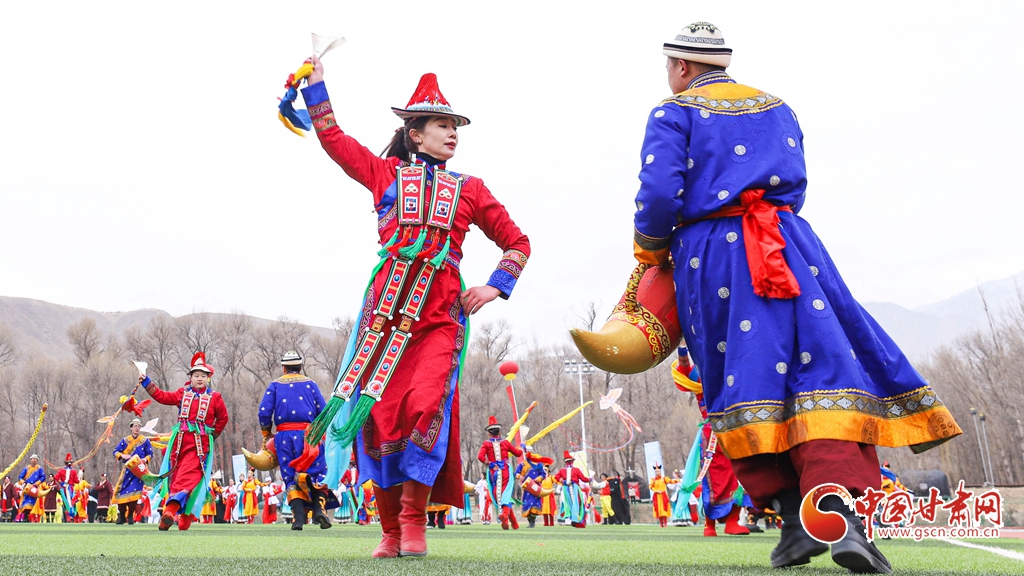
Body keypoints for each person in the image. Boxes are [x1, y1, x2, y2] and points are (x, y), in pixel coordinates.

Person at [630, 21, 963, 573]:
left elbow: (660, 195)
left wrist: (649, 251)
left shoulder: (673, 112)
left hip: (716, 257)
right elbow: (797, 183)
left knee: (743, 378)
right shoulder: (777, 106)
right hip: (791, 245)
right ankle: (837, 519)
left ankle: (790, 515)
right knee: (820, 372)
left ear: (681, 67)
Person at [301, 58, 530, 558]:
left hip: (439, 319)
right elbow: (333, 139)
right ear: (415, 134)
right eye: (443, 125)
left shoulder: (470, 189)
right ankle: (388, 532)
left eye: (455, 126)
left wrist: (494, 286)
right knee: (379, 419)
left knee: (426, 406)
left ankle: (412, 522)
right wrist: (316, 87)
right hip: (384, 321)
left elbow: (517, 242)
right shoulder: (384, 174)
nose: (453, 133)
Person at [140, 351, 229, 531]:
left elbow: (223, 418)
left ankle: (172, 512)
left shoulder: (215, 398)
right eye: (196, 375)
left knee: (190, 479)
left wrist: (212, 435)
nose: (199, 379)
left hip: (200, 447)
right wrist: (146, 382)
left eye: (203, 376)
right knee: (179, 478)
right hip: (179, 445)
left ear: (208, 378)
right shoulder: (183, 394)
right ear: (191, 377)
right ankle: (184, 517)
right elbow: (162, 396)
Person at [672, 357, 749, 537]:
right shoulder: (703, 377)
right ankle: (709, 525)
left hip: (736, 432)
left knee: (739, 477)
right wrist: (683, 348)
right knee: (713, 480)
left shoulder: (734, 374)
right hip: (713, 436)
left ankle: (733, 521)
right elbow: (685, 367)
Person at [257, 350, 332, 531]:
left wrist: (266, 433)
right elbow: (323, 410)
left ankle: (298, 519)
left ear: (283, 368)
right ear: (300, 367)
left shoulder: (275, 385)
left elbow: (264, 412)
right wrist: (320, 432)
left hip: (284, 437)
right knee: (317, 472)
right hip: (310, 435)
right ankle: (318, 510)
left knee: (290, 475)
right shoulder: (311, 384)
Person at [477, 416, 524, 531]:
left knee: (500, 497)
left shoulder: (486, 444)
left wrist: (490, 463)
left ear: (489, 433)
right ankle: (505, 516)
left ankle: (513, 523)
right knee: (506, 496)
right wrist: (522, 447)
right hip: (505, 471)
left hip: (493, 472)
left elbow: (480, 457)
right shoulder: (506, 443)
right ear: (499, 432)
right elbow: (518, 453)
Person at [112, 417, 155, 525]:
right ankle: (122, 516)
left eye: (139, 426)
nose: (137, 428)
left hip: (138, 470)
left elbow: (150, 454)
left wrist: (144, 459)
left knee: (134, 493)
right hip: (127, 470)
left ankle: (131, 515)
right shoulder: (125, 440)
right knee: (121, 492)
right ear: (131, 428)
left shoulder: (145, 440)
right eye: (135, 426)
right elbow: (115, 451)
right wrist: (122, 455)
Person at [553, 451, 590, 528]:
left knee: (570, 504)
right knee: (577, 503)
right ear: (572, 462)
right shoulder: (576, 470)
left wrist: (562, 481)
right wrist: (589, 479)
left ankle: (573, 519)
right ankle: (576, 520)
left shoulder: (562, 471)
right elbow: (583, 479)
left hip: (566, 489)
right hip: (574, 488)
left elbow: (556, 477)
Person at [514, 448, 550, 528]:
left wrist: (538, 478)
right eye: (527, 452)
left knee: (534, 504)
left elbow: (543, 474)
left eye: (530, 452)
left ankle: (533, 521)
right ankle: (530, 521)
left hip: (535, 487)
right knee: (527, 504)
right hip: (526, 488)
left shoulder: (538, 464)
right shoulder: (523, 464)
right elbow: (516, 473)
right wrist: (519, 476)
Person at [17, 454, 45, 522]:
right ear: (30, 460)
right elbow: (20, 477)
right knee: (25, 502)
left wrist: (37, 483)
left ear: (37, 460)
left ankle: (28, 517)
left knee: (32, 503)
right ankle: (25, 517)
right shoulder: (26, 468)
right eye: (33, 459)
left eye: (35, 459)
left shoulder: (39, 469)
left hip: (34, 488)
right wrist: (23, 482)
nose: (34, 460)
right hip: (27, 487)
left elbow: (43, 477)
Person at [649, 464, 678, 528]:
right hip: (657, 496)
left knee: (664, 509)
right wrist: (656, 490)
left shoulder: (664, 478)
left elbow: (671, 481)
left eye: (658, 471)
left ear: (660, 472)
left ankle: (665, 523)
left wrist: (678, 480)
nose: (657, 472)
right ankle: (661, 523)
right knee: (658, 510)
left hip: (663, 496)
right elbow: (650, 486)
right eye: (656, 471)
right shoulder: (653, 480)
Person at [53, 453, 78, 521]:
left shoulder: (61, 470)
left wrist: (61, 482)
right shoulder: (73, 471)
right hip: (69, 489)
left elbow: (56, 478)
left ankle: (67, 517)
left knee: (66, 502)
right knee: (70, 502)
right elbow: (76, 481)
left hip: (64, 489)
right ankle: (69, 516)